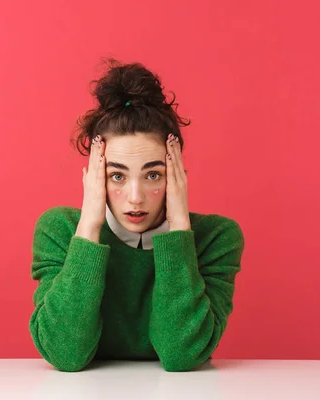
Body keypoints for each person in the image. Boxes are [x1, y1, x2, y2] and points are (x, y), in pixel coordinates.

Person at [29, 58, 245, 372]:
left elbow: (182, 354)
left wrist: (179, 229)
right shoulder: (61, 229)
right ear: (96, 177)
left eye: (153, 175)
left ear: (175, 175)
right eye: (117, 176)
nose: (135, 197)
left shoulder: (217, 237)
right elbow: (65, 354)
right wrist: (89, 226)